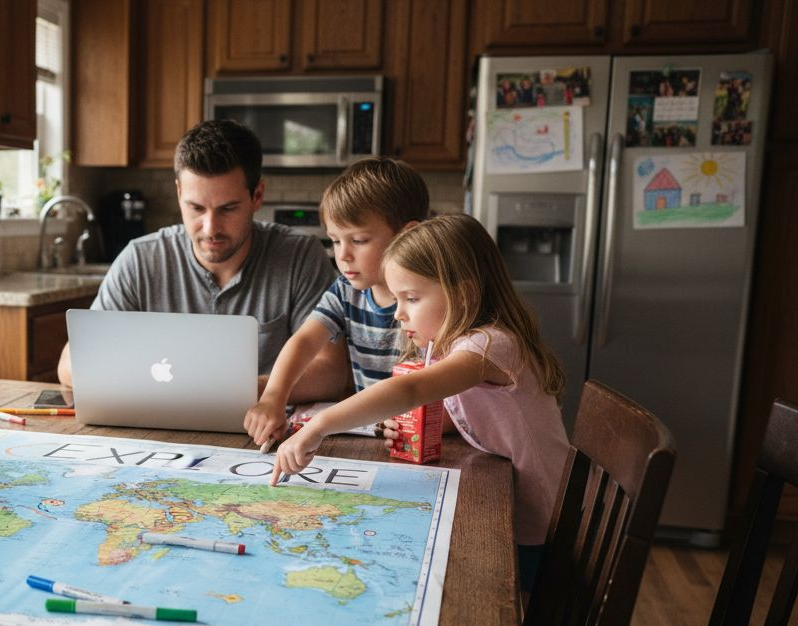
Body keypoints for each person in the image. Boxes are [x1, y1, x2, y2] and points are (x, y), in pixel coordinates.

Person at [270, 214, 569, 592]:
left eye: (411, 298)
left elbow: (410, 390)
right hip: (520, 504)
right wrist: (423, 424)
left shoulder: (490, 345)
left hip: (545, 520)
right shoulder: (459, 348)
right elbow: (481, 413)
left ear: (463, 294)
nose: (398, 313)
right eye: (397, 298)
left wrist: (318, 426)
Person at [56, 119, 345, 400]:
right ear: (179, 192)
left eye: (228, 208)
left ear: (257, 196)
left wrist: (226, 394)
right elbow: (70, 366)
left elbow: (332, 372)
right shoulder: (140, 260)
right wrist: (164, 391)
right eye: (195, 208)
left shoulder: (299, 257)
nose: (210, 228)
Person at [245, 157, 428, 446]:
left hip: (425, 435)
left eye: (358, 240)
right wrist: (273, 397)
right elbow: (305, 341)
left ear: (407, 235)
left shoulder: (431, 298)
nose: (342, 255)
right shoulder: (346, 291)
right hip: (376, 436)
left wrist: (419, 421)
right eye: (335, 240)